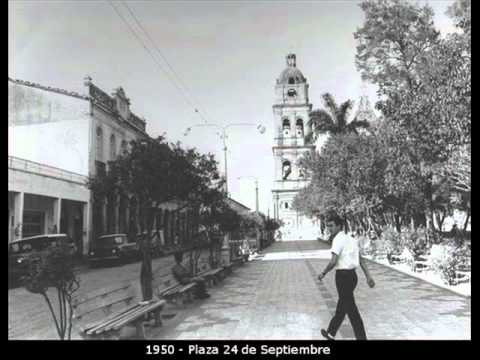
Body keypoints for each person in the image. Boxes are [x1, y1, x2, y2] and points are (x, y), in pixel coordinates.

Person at [317, 212, 375, 340]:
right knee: (343, 305)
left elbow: (333, 261)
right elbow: (361, 259)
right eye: (328, 226)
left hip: (343, 277)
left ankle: (361, 337)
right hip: (352, 277)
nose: (329, 229)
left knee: (351, 310)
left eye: (331, 226)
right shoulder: (351, 238)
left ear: (339, 226)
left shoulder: (338, 239)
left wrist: (323, 273)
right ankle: (331, 333)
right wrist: (368, 276)